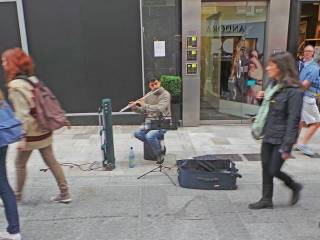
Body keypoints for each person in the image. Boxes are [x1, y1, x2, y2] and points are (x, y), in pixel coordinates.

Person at [1, 48, 71, 203]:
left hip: (31, 133)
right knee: (51, 161)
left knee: (19, 164)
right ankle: (65, 193)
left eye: (5, 61)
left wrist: (22, 137)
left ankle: (17, 196)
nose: (3, 64)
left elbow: (22, 115)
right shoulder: (32, 79)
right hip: (44, 128)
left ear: (14, 64)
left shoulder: (15, 85)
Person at [249, 52, 303, 210]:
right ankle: (266, 199)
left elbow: (294, 120)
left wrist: (287, 146)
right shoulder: (273, 85)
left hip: (281, 137)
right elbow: (270, 111)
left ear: (281, 67)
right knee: (266, 167)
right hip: (269, 133)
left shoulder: (294, 91)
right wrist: (261, 100)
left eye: (271, 65)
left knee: (273, 169)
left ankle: (294, 186)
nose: (267, 68)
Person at [131, 73, 171, 164]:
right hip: (150, 122)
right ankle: (159, 147)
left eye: (156, 83)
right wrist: (135, 108)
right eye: (152, 85)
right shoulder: (148, 95)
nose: (155, 86)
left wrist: (143, 104)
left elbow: (160, 108)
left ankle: (159, 154)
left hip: (163, 122)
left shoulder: (166, 94)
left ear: (159, 83)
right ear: (149, 86)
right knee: (137, 133)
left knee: (150, 136)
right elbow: (145, 111)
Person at [0, 90, 22, 240]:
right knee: (4, 183)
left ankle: (14, 231)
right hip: (2, 139)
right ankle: (14, 230)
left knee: (2, 184)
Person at [295, 45, 320, 156]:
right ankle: (303, 144)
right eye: (305, 51)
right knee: (317, 122)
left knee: (301, 122)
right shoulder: (313, 68)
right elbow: (304, 85)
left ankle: (293, 143)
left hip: (303, 96)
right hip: (307, 98)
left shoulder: (306, 66)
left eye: (309, 51)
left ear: (313, 53)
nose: (307, 53)